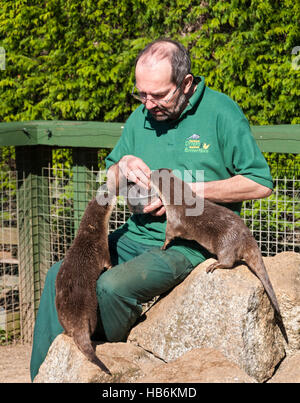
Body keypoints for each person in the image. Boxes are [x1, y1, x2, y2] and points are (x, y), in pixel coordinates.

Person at [30, 38, 273, 381]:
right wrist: (122, 165)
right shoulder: (139, 117)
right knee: (59, 274)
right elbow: (111, 181)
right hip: (134, 233)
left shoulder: (222, 113)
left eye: (158, 95)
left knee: (111, 287)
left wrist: (188, 192)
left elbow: (260, 183)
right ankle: (43, 375)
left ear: (186, 83)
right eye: (141, 94)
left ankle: (103, 363)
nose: (148, 104)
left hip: (189, 243)